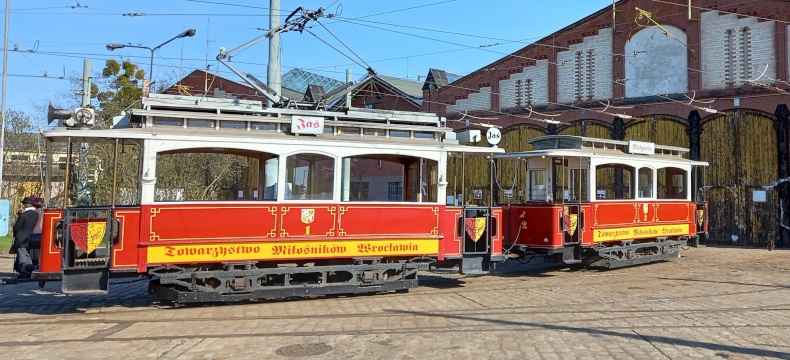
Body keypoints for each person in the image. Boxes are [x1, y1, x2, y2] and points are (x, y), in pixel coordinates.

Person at [12, 196, 40, 279]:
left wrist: (15, 234)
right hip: (30, 237)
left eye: (24, 204)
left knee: (22, 256)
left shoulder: (23, 215)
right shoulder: (35, 214)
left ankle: (23, 272)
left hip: (21, 237)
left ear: (27, 204)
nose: (23, 205)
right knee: (27, 255)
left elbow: (16, 227)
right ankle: (29, 271)